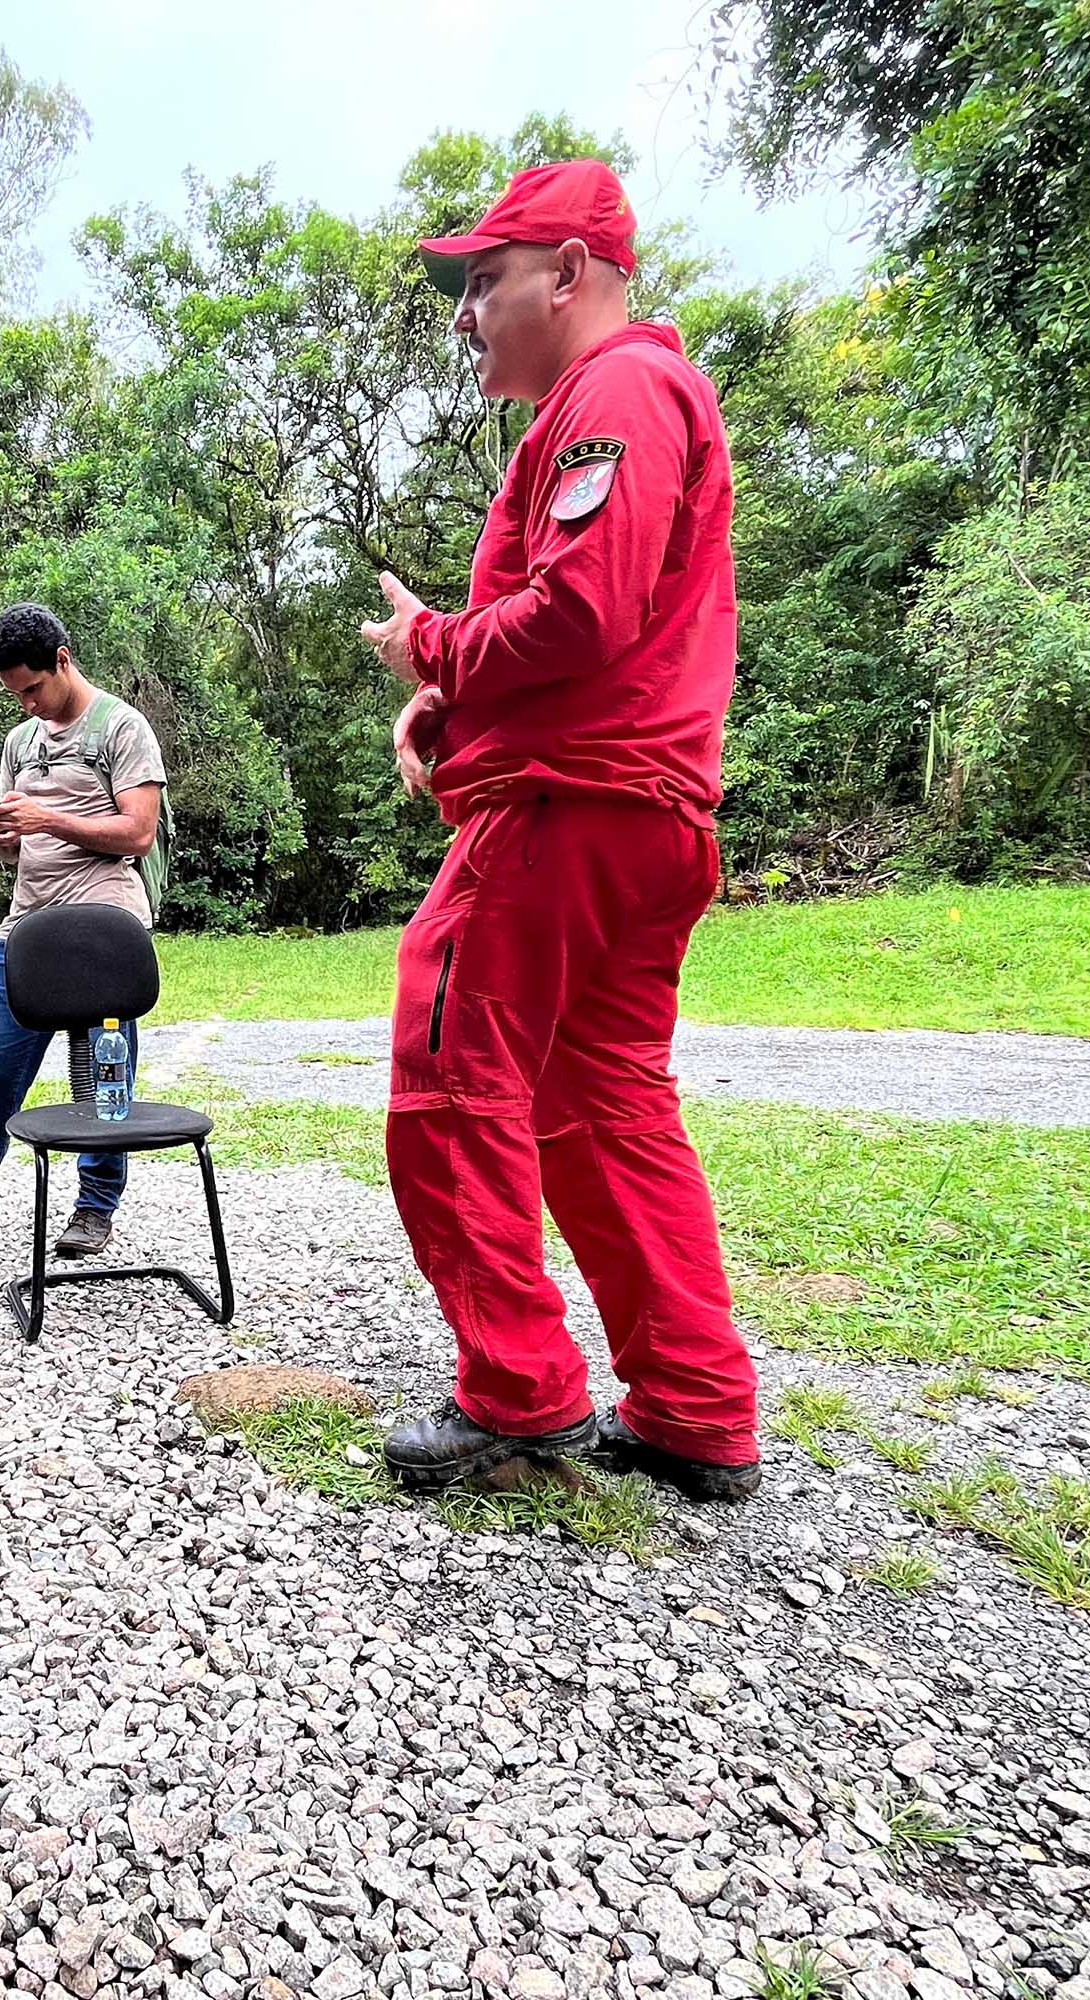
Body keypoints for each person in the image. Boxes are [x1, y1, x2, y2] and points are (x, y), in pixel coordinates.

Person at [357, 159, 758, 1503]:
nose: (464, 312)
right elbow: (605, 629)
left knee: (451, 1066)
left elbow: (580, 614)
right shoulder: (634, 397)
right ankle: (694, 1405)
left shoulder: (616, 392)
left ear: (570, 273)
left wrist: (431, 643)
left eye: (487, 279)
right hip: (643, 816)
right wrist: (452, 700)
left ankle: (518, 1392)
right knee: (605, 1106)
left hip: (568, 814)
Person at [0, 605, 166, 1261]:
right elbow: (18, 850)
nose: (28, 703)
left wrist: (46, 818)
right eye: (15, 694)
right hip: (25, 924)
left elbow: (138, 832)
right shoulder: (20, 743)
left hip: (103, 927)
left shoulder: (121, 728)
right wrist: (6, 836)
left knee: (103, 1074)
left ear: (63, 660)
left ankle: (94, 1208)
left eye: (33, 688)